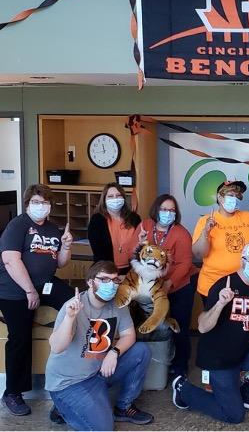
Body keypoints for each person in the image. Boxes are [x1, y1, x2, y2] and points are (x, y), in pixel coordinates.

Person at [171, 242, 249, 423]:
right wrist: (220, 303)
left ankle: (246, 395)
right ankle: (183, 389)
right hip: (219, 358)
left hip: (246, 352)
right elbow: (202, 326)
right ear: (242, 260)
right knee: (234, 415)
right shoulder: (224, 285)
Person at [45, 260, 153, 430]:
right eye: (104, 279)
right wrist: (70, 318)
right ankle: (63, 406)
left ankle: (123, 407)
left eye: (115, 280)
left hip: (98, 370)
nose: (110, 284)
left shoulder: (118, 304)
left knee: (141, 351)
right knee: (104, 428)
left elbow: (129, 335)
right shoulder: (73, 306)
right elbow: (57, 347)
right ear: (90, 282)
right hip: (70, 382)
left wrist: (114, 352)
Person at [0, 184, 74, 416]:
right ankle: (12, 392)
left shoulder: (52, 228)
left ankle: (72, 376)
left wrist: (67, 246)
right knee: (20, 337)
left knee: (76, 302)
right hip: (15, 289)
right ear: (27, 204)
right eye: (36, 202)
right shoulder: (17, 225)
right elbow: (11, 261)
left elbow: (60, 263)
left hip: (45, 284)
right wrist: (30, 291)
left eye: (45, 202)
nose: (41, 206)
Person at [135, 194, 194, 377]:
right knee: (155, 323)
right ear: (156, 210)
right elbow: (135, 254)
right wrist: (141, 243)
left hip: (179, 284)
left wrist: (169, 283)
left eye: (172, 210)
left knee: (179, 326)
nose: (168, 213)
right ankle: (157, 362)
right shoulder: (145, 226)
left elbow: (185, 263)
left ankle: (180, 366)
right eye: (164, 209)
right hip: (152, 287)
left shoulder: (181, 233)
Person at [192, 180, 249, 298]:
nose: (235, 198)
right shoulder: (205, 220)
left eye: (238, 196)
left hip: (242, 283)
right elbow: (199, 254)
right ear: (220, 197)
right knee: (212, 316)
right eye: (231, 195)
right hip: (212, 284)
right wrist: (206, 231)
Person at [88, 182, 141, 275]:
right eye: (110, 196)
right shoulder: (97, 220)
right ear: (104, 200)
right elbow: (98, 252)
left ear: (123, 198)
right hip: (106, 271)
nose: (115, 199)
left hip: (132, 271)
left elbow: (140, 246)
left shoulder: (134, 218)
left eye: (118, 195)